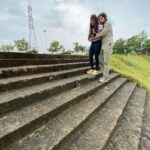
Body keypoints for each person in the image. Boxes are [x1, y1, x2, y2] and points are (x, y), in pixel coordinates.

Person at [92, 12, 113, 83]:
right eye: (99, 19)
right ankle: (106, 75)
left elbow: (103, 33)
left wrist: (95, 36)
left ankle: (105, 77)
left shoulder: (108, 23)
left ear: (105, 18)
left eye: (101, 18)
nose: (100, 20)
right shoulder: (103, 26)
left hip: (108, 44)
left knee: (106, 62)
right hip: (103, 45)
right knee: (99, 59)